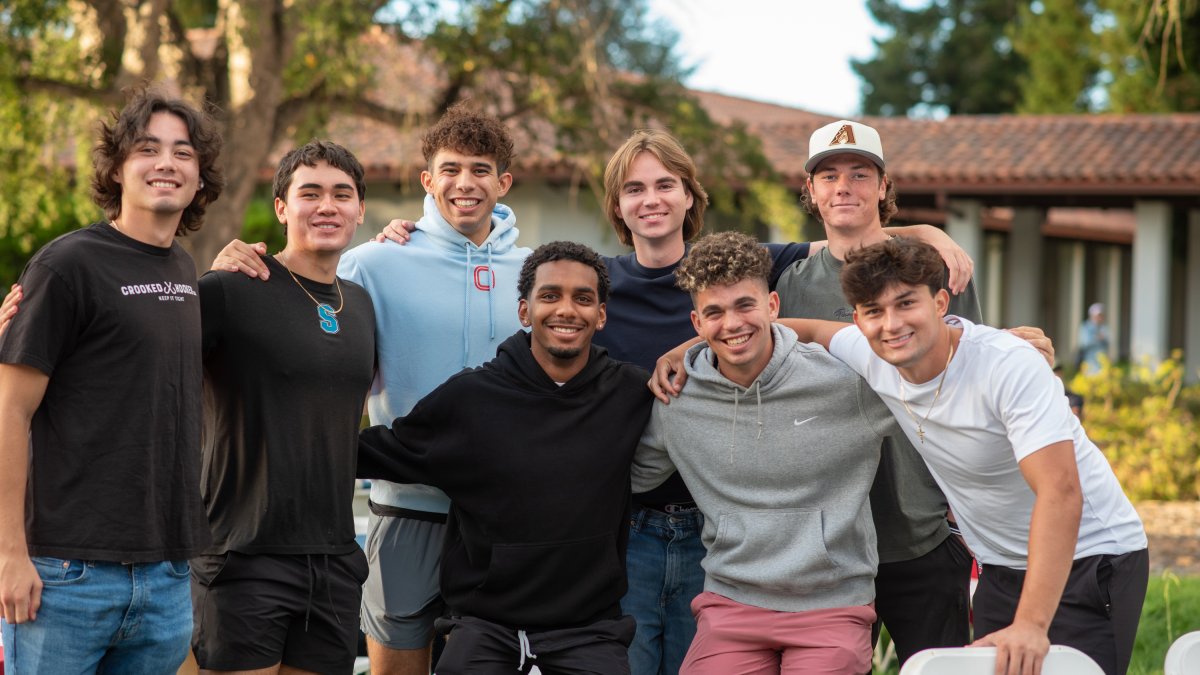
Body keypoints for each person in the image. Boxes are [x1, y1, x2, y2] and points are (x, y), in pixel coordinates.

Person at [209, 103, 529, 674]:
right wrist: (230, 261)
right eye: (450, 169)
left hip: (505, 517)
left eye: (481, 170)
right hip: (403, 507)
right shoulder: (375, 263)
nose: (465, 183)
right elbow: (298, 299)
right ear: (427, 181)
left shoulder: (534, 271)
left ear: (503, 183)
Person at [786, 237, 1148, 675]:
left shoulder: (1006, 365)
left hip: (1090, 558)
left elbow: (1061, 491)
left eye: (906, 304)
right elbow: (806, 330)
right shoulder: (872, 354)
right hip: (1001, 566)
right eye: (874, 311)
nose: (892, 323)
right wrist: (687, 350)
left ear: (940, 301)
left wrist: (1033, 624)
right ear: (858, 318)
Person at [0, 87, 223, 672]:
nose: (167, 163)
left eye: (183, 152)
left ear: (200, 179)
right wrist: (9, 555)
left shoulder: (183, 269)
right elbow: (10, 411)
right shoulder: (66, 266)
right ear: (118, 168)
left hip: (167, 574)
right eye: (148, 148)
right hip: (66, 575)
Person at [356, 242, 653, 674]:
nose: (566, 310)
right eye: (550, 296)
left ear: (601, 315)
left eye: (582, 298)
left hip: (589, 629)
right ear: (523, 311)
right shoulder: (472, 398)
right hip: (484, 624)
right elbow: (376, 451)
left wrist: (686, 355)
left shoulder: (630, 394)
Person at [632, 231, 899, 675]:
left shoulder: (845, 381)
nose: (732, 324)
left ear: (773, 306)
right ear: (696, 324)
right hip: (731, 604)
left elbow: (929, 379)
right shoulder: (678, 398)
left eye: (744, 305)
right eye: (714, 312)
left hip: (831, 604)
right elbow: (626, 477)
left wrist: (1002, 350)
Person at [773, 119, 979, 664]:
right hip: (826, 540)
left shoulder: (936, 271)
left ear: (883, 188)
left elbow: (969, 385)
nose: (845, 186)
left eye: (861, 174)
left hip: (921, 527)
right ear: (811, 191)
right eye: (830, 175)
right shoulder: (787, 283)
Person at [190, 140, 374, 673]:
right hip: (244, 555)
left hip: (335, 560)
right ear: (281, 208)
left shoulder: (359, 304)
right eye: (309, 192)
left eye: (342, 194)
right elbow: (147, 363)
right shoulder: (231, 289)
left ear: (360, 209)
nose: (327, 206)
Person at [1078, 302, 1110, 373]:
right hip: (1089, 363)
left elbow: (1110, 341)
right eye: (1097, 316)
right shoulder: (1085, 327)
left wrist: (1103, 338)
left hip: (1102, 364)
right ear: (1091, 316)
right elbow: (1083, 343)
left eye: (1101, 315)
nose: (1099, 318)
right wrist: (1096, 338)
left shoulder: (1104, 328)